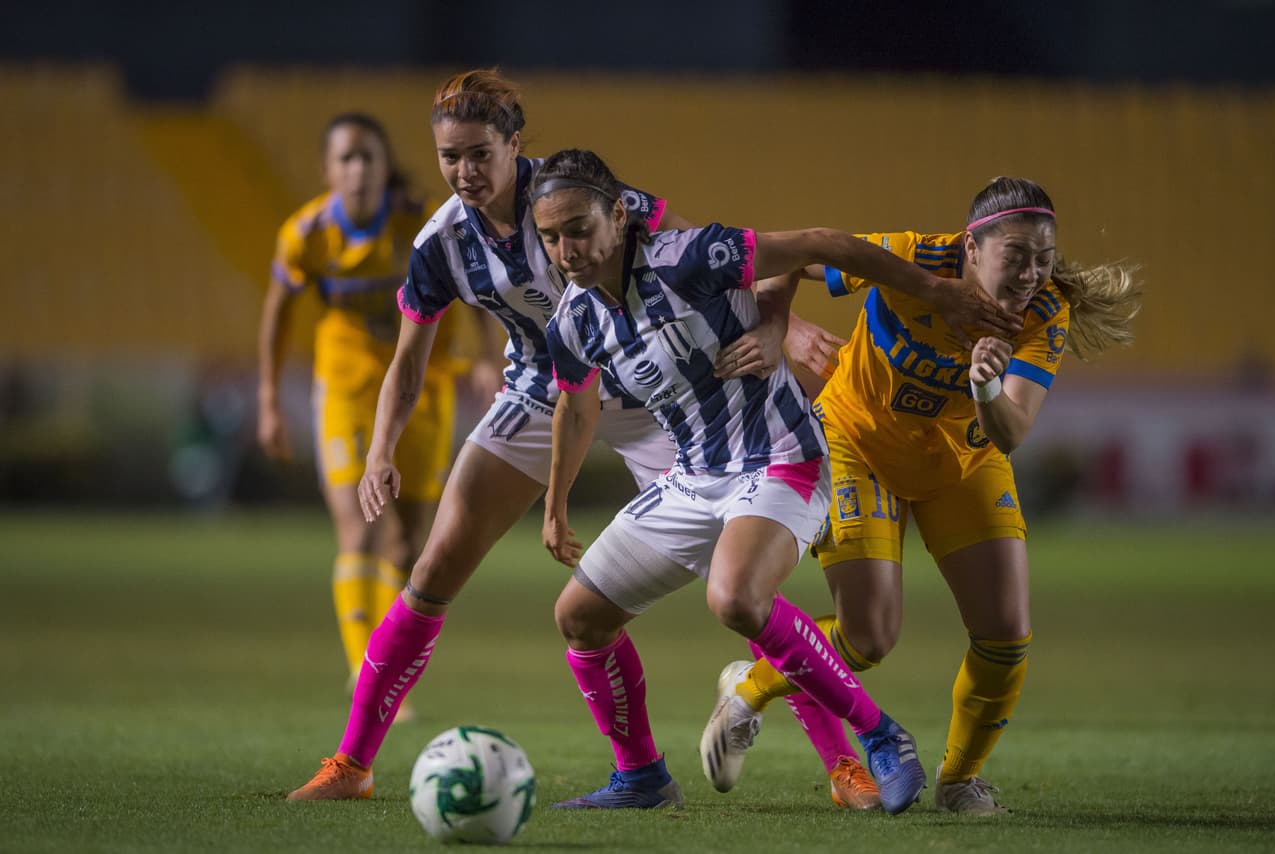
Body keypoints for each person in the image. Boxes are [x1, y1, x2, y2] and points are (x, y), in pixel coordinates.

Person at [532, 149, 1023, 815]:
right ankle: (642, 777)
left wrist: (918, 294)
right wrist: (555, 504)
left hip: (781, 457)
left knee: (734, 598)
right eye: (551, 236)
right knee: (579, 618)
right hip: (692, 479)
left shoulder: (689, 256)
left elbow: (820, 246)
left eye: (579, 229)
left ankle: (882, 736)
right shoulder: (575, 319)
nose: (567, 249)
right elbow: (575, 403)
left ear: (618, 216)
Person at [285, 69, 703, 801]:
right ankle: (352, 765)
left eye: (480, 153)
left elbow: (691, 258)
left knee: (739, 582)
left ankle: (842, 757)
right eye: (450, 157)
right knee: (433, 567)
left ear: (515, 145)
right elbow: (407, 364)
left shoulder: (578, 193)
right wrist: (380, 450)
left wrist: (775, 327)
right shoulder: (439, 242)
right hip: (540, 394)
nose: (464, 172)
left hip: (644, 389)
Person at [704, 177, 1143, 815]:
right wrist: (786, 328)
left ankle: (959, 779)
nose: (1030, 274)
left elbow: (1013, 431)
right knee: (867, 639)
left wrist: (988, 387)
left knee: (1006, 636)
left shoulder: (1045, 311)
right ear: (970, 247)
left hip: (965, 462)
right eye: (1015, 255)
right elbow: (791, 255)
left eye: (1043, 259)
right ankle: (754, 680)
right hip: (859, 448)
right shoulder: (912, 257)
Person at [257, 113, 483, 709]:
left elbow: (476, 280)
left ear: (385, 168)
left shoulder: (420, 220)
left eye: (368, 158)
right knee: (359, 527)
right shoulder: (305, 233)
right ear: (328, 169)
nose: (358, 170)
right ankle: (369, 676)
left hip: (423, 384)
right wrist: (269, 398)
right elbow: (278, 310)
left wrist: (483, 357)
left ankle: (382, 661)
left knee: (407, 544)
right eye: (346, 159)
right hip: (348, 386)